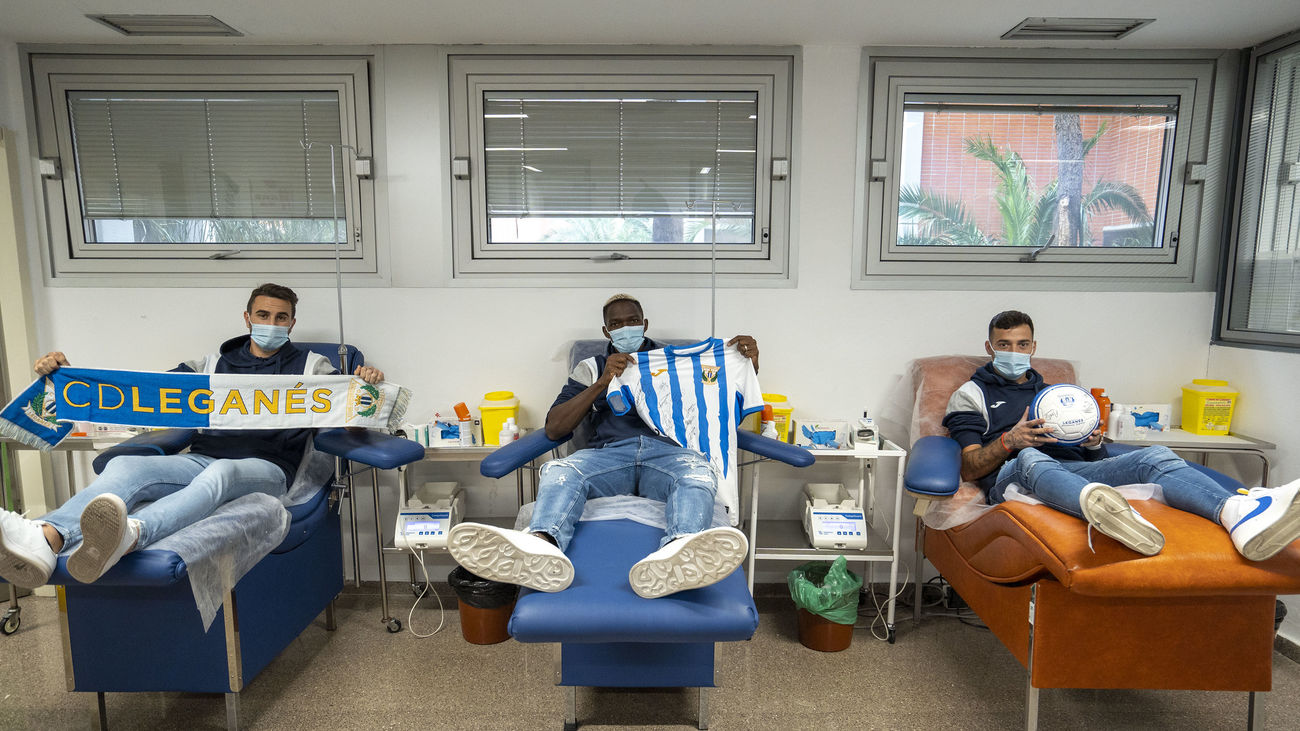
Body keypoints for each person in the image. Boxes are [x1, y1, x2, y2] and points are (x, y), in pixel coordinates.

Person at [0, 283, 385, 587]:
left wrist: (365, 391)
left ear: (292, 324)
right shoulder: (210, 365)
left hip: (266, 468)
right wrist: (71, 377)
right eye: (264, 314)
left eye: (281, 318)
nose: (272, 323)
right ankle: (46, 537)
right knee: (127, 465)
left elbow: (345, 420)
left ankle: (131, 535)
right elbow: (141, 394)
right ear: (248, 317)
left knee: (221, 475)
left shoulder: (312, 366)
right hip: (202, 457)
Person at [448, 294, 759, 598]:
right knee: (560, 470)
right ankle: (541, 545)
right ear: (606, 331)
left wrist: (745, 363)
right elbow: (556, 426)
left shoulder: (677, 362)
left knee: (698, 475)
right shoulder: (592, 367)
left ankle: (680, 552)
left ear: (645, 323)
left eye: (633, 321)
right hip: (610, 456)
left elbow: (720, 400)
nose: (626, 328)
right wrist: (603, 381)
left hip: (669, 455)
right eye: (617, 323)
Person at [943, 310, 1300, 560]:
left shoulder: (1058, 396)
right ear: (990, 348)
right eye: (1004, 344)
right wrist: (1011, 441)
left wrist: (1093, 443)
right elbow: (970, 468)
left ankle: (1237, 514)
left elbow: (1093, 459)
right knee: (1032, 456)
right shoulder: (971, 394)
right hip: (1014, 478)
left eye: (1022, 344)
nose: (1014, 352)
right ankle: (1106, 511)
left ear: (1034, 347)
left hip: (1072, 474)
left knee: (1154, 455)